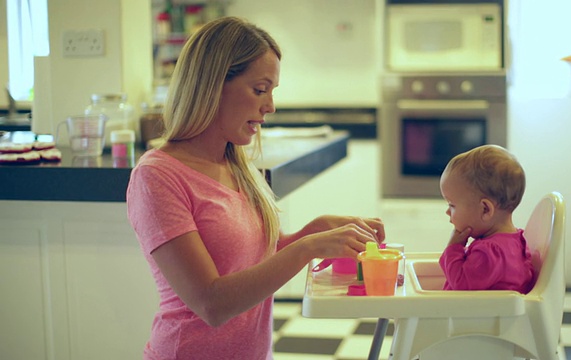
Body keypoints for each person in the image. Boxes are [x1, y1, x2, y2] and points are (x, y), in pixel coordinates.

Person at [126, 16, 384, 360]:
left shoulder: (236, 163)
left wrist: (314, 232)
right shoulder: (157, 177)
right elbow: (211, 303)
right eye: (260, 90)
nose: (270, 106)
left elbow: (257, 262)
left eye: (271, 92)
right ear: (212, 85)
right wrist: (307, 247)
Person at [438, 144, 534, 294]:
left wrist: (453, 248)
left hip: (470, 318)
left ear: (485, 209)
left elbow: (461, 286)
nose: (447, 212)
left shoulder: (490, 253)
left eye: (452, 205)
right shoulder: (515, 243)